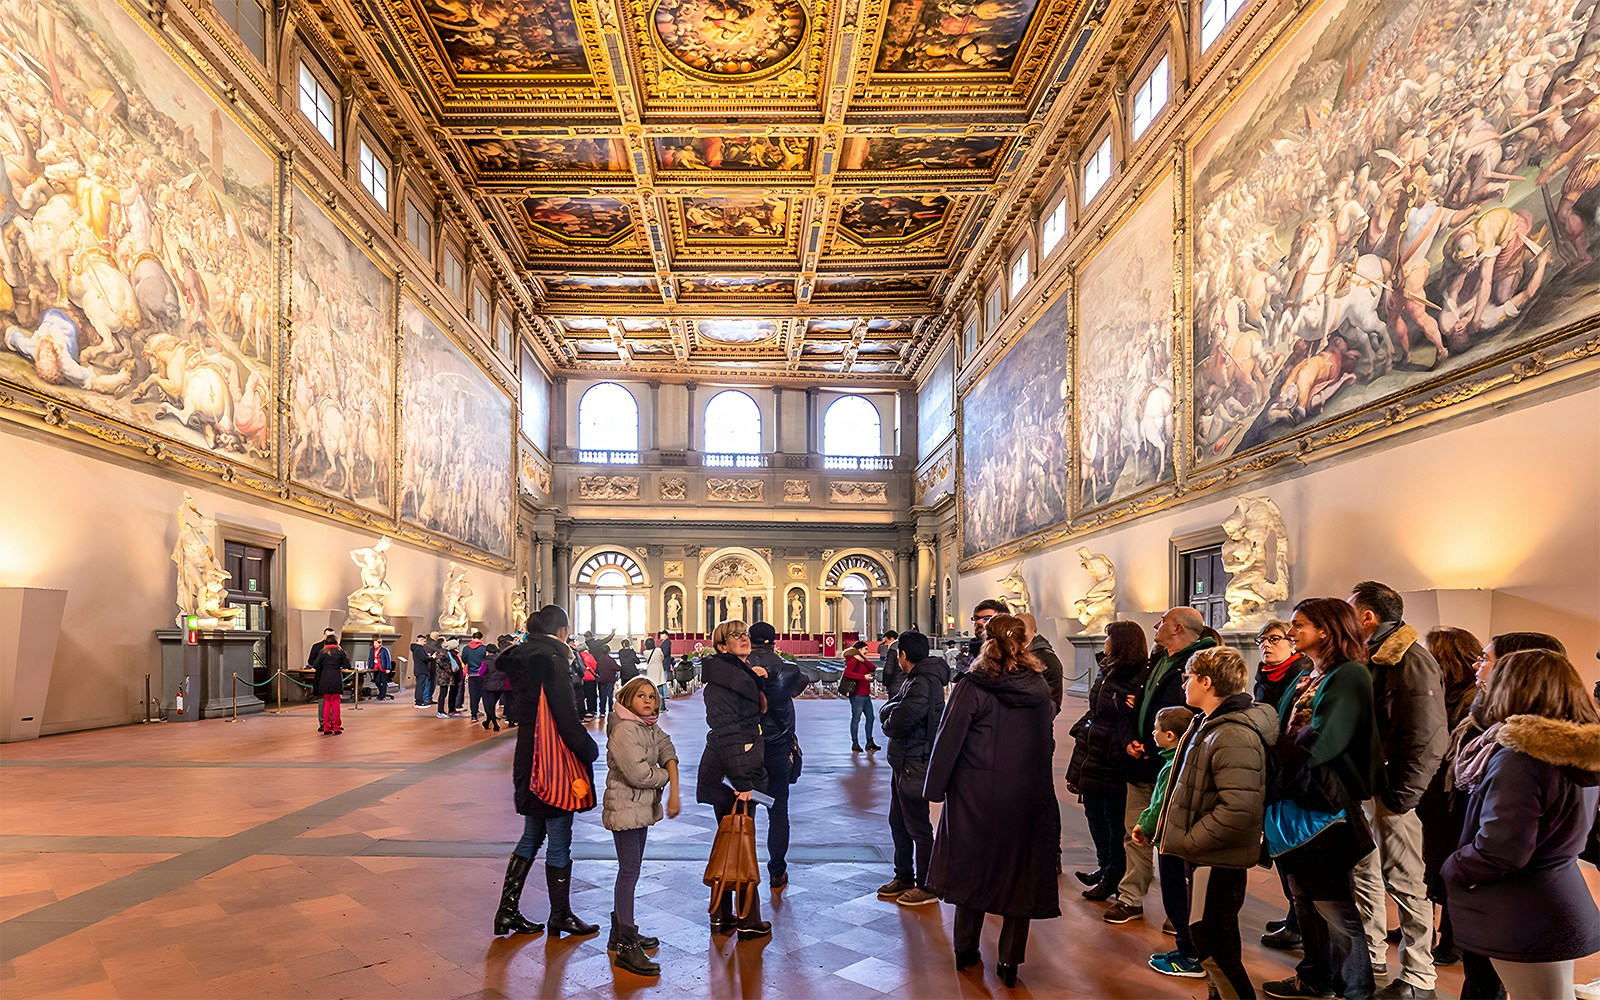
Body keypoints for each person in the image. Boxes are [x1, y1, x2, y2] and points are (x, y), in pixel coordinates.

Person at [1444, 649, 1600, 1000]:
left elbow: (1502, 848)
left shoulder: (1522, 758)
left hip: (1524, 909)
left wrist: (1454, 866)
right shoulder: (1574, 751)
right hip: (1556, 895)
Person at [925, 613, 1060, 988]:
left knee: (973, 869)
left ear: (986, 642)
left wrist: (934, 789)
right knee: (1020, 873)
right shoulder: (1038, 687)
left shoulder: (974, 685)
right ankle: (1010, 962)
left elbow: (948, 738)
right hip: (1026, 793)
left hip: (975, 794)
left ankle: (966, 951)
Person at [1263, 598, 1384, 1000]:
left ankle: (1356, 990)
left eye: (1299, 625)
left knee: (1335, 908)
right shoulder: (1309, 673)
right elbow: (1288, 727)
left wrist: (1276, 753)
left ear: (1326, 630)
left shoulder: (1350, 674)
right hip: (1296, 795)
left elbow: (1326, 739)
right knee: (1303, 900)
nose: (1292, 632)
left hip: (1324, 802)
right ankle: (1315, 977)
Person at [1156, 646, 1277, 998]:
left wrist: (1191, 842)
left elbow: (1239, 808)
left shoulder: (1232, 733)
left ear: (1206, 682)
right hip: (1207, 855)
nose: (1184, 686)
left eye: (1188, 678)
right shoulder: (1207, 723)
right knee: (1215, 936)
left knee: (1212, 941)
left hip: (1215, 856)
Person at [1347, 581, 1447, 1000]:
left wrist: (1402, 795)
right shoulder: (1371, 656)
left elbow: (1427, 735)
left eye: (1350, 611)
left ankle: (1419, 976)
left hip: (1392, 792)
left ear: (1368, 617)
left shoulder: (1409, 659)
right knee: (1364, 875)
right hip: (1368, 786)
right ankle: (1371, 958)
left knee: (1406, 884)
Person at [1105, 606, 1218, 925]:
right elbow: (1133, 703)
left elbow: (1199, 716)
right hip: (1142, 760)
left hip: (1177, 765)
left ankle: (1181, 912)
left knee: (1178, 839)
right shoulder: (1157, 658)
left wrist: (1166, 748)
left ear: (1179, 628)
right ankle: (1130, 897)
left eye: (1164, 621)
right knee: (1134, 831)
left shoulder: (1203, 662)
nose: (1156, 625)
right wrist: (1129, 738)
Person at [494, 605, 601, 939]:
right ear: (563, 631)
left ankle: (507, 912)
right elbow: (565, 719)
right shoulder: (552, 662)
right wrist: (589, 749)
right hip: (553, 763)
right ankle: (561, 915)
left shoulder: (521, 661)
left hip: (528, 759)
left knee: (531, 835)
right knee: (559, 841)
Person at [696, 619, 771, 940]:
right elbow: (728, 734)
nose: (744, 638)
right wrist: (742, 783)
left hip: (734, 770)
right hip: (730, 774)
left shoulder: (738, 674)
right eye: (735, 636)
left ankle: (722, 914)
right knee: (739, 840)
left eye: (745, 634)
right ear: (721, 646)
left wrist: (757, 681)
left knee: (731, 839)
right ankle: (747, 918)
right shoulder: (721, 683)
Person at [603, 676, 682, 977]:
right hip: (625, 807)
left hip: (638, 808)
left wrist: (667, 766)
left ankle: (619, 931)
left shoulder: (646, 726)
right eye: (641, 696)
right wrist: (667, 776)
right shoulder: (625, 729)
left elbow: (667, 747)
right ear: (627, 699)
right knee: (629, 872)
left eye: (652, 696)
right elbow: (639, 775)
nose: (649, 701)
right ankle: (625, 945)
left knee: (631, 870)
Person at [1414, 626, 1483, 968]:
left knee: (1452, 866)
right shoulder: (1445, 693)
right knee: (1434, 864)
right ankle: (1433, 930)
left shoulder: (1472, 700)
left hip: (1456, 799)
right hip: (1438, 796)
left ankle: (1452, 940)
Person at [1067, 620, 1147, 901]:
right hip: (1095, 750)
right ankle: (1105, 867)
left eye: (1109, 638)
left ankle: (1115, 874)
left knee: (1114, 823)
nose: (1105, 642)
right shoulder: (1107, 670)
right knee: (1095, 816)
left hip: (1114, 756)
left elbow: (1128, 716)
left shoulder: (1137, 676)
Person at [877, 630, 947, 908]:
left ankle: (927, 885)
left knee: (917, 827)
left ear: (903, 655)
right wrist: (891, 710)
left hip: (915, 762)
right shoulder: (918, 679)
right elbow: (895, 709)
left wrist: (888, 716)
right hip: (904, 761)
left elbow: (898, 720)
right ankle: (904, 876)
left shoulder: (922, 683)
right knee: (898, 822)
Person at [1132, 706, 1201, 977]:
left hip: (1170, 841)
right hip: (1178, 840)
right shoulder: (1184, 758)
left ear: (1170, 735)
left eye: (1156, 729)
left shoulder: (1171, 767)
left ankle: (1189, 956)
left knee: (1175, 899)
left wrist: (1144, 827)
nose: (1152, 733)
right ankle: (1186, 949)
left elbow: (1160, 803)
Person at [1255, 618, 1311, 950]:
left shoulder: (1301, 676)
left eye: (1275, 638)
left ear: (1291, 643)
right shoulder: (1265, 677)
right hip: (1271, 767)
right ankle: (1294, 914)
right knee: (1280, 845)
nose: (1267, 644)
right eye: (1263, 639)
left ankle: (1299, 921)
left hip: (1290, 770)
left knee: (1293, 850)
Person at [747, 621, 809, 889]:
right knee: (778, 811)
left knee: (744, 811)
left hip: (747, 749)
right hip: (777, 748)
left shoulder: (738, 670)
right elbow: (802, 683)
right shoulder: (788, 670)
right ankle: (776, 871)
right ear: (774, 641)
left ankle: (744, 868)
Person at [1019, 613, 1065, 715]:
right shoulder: (1012, 653)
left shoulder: (1047, 658)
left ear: (1034, 631)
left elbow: (1054, 698)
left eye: (1021, 627)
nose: (1017, 632)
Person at [843, 640, 880, 753]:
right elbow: (847, 673)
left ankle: (869, 741)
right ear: (859, 650)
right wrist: (863, 677)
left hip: (865, 694)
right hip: (857, 695)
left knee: (870, 718)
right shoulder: (853, 661)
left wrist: (863, 660)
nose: (867, 651)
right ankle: (855, 742)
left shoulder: (861, 660)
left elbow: (872, 667)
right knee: (856, 719)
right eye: (865, 649)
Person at [312, 636, 348, 735]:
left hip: (325, 679)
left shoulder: (322, 652)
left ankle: (326, 727)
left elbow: (315, 665)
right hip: (336, 678)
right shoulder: (341, 652)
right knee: (336, 703)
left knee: (327, 703)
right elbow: (347, 665)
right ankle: (336, 727)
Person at [480, 643, 508, 731]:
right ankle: (487, 722)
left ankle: (495, 724)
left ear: (487, 652)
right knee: (492, 705)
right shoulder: (502, 660)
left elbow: (481, 672)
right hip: (500, 686)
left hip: (488, 686)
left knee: (489, 706)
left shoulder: (486, 661)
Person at [589, 640, 619, 721]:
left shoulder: (600, 660)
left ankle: (602, 711)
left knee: (602, 696)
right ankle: (610, 710)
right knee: (610, 696)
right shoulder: (611, 660)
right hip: (610, 680)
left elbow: (597, 670)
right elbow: (617, 668)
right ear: (609, 651)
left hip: (602, 680)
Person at [463, 631, 489, 722]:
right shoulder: (483, 649)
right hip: (482, 674)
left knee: (473, 695)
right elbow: (486, 660)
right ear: (481, 638)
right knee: (485, 695)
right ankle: (489, 715)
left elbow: (464, 659)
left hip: (471, 674)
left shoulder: (466, 648)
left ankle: (473, 715)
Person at [641, 637, 669, 712]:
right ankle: (662, 707)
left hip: (650, 673)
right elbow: (662, 657)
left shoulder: (645, 652)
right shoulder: (658, 650)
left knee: (651, 692)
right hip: (658, 672)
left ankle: (652, 707)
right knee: (660, 692)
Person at [411, 634, 435, 708]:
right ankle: (418, 702)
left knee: (420, 686)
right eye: (424, 641)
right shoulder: (419, 649)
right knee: (420, 686)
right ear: (420, 640)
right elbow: (424, 658)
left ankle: (418, 701)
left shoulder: (416, 648)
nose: (425, 643)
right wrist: (432, 657)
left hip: (419, 669)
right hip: (422, 670)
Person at [579, 643, 599, 720]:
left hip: (581, 678)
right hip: (590, 678)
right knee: (591, 695)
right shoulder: (589, 656)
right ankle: (592, 710)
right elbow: (595, 666)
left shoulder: (578, 656)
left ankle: (583, 710)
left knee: (582, 696)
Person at [880, 630, 902, 696]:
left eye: (886, 641)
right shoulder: (904, 646)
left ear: (892, 639)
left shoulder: (892, 649)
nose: (886, 644)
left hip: (895, 685)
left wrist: (885, 683)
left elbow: (888, 670)